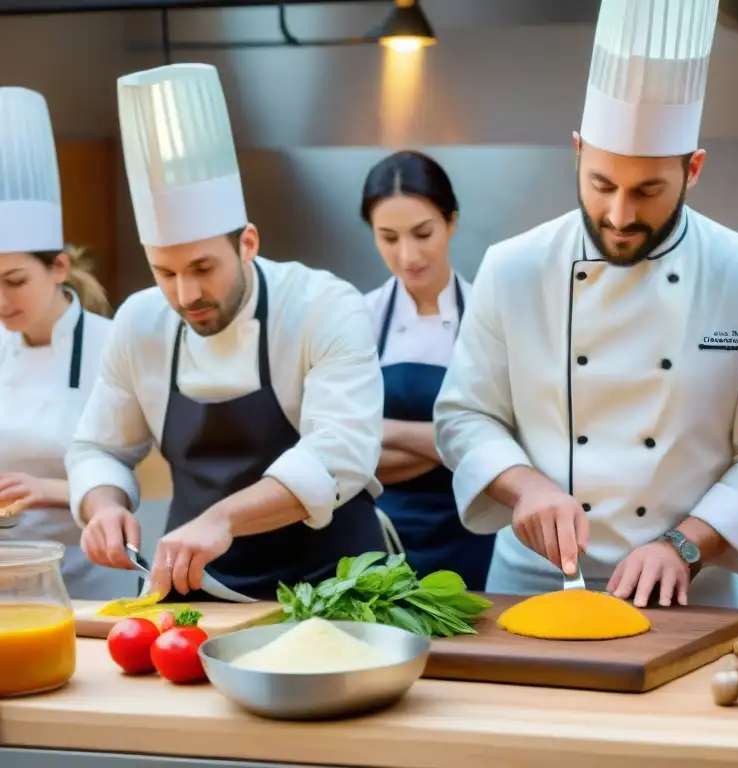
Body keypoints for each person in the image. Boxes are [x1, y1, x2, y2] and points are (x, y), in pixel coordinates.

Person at [432, 0, 738, 608]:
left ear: (694, 169)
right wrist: (525, 487)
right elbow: (463, 416)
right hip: (536, 582)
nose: (619, 215)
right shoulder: (515, 266)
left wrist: (685, 546)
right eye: (602, 184)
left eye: (648, 191)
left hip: (693, 587)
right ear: (578, 152)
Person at [66, 62, 387, 603]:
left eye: (203, 268)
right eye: (164, 273)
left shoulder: (324, 307)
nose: (186, 294)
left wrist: (222, 518)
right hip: (197, 588)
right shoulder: (139, 322)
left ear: (248, 244)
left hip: (335, 590)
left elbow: (340, 453)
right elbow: (99, 447)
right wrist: (105, 507)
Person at [0, 87, 138, 600]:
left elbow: (129, 475)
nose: (1, 300)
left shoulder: (113, 345)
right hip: (8, 577)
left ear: (58, 266)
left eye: (15, 280)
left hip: (98, 578)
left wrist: (49, 491)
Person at [361, 150, 495, 589]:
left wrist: (384, 430)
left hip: (474, 534)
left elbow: (502, 447)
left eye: (423, 233)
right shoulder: (360, 319)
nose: (408, 254)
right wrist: (455, 443)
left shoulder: (486, 316)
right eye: (388, 237)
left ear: (451, 222)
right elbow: (348, 454)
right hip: (380, 538)